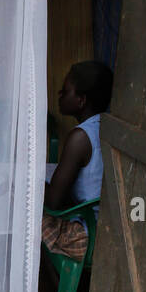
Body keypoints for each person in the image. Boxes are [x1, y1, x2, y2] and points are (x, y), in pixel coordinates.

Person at [42, 60, 114, 260]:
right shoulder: (109, 126)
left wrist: (29, 181)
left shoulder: (80, 137)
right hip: (109, 227)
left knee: (24, 210)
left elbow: (53, 202)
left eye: (65, 91)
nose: (59, 95)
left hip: (88, 235)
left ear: (81, 100)